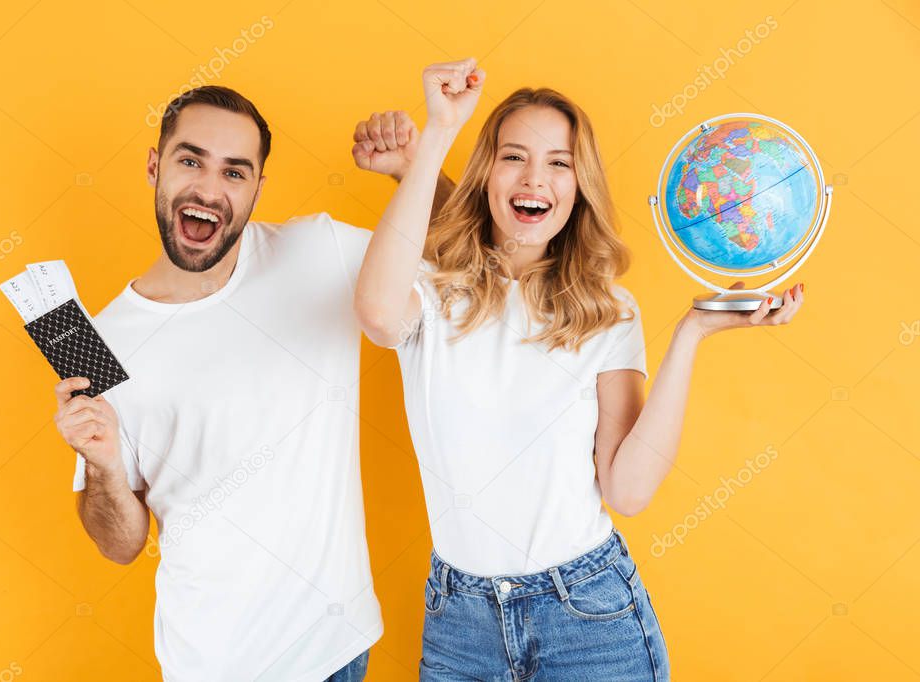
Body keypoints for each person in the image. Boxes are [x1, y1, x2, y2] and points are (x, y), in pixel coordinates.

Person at [353, 58, 805, 681]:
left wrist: (691, 334)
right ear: (485, 176)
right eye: (513, 156)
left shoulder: (608, 311)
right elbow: (377, 314)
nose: (535, 177)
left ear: (578, 184)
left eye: (558, 162)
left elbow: (627, 490)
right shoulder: (432, 291)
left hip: (587, 617)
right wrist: (436, 133)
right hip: (460, 623)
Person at [52, 85, 451, 681]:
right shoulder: (93, 341)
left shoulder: (317, 252)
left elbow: (463, 249)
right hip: (209, 664)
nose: (209, 190)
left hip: (334, 647)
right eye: (190, 160)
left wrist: (414, 172)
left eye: (234, 172)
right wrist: (105, 467)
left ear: (257, 188)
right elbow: (120, 544)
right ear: (154, 166)